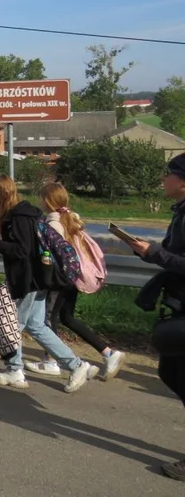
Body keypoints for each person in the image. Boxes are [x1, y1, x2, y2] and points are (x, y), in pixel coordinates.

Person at [0, 174, 95, 392]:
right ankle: (76, 365)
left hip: (27, 280)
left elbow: (22, 250)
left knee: (12, 325)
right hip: (36, 278)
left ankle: (14, 370)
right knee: (36, 325)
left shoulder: (18, 216)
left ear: (1, 193)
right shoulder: (23, 213)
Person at [24, 182, 126, 381]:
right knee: (66, 317)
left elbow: (52, 256)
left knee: (48, 317)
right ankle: (108, 353)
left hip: (60, 279)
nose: (38, 200)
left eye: (40, 197)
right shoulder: (70, 219)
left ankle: (51, 362)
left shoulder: (53, 224)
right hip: (73, 278)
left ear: (46, 201)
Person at [130, 153, 185, 481]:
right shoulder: (179, 212)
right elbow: (172, 256)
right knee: (169, 371)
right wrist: (149, 254)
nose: (164, 179)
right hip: (179, 302)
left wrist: (157, 253)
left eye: (169, 174)